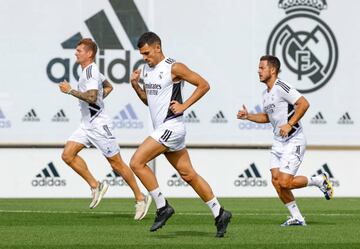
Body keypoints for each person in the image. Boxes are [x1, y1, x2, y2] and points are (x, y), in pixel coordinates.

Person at [129, 32, 232, 237]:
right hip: (163, 129)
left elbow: (204, 84)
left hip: (172, 127)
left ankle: (162, 207)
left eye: (147, 53)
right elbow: (149, 102)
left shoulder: (174, 67)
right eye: (142, 55)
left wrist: (184, 105)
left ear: (157, 47)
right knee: (188, 174)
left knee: (136, 162)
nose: (145, 57)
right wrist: (135, 86)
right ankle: (219, 212)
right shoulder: (146, 70)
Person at [58, 38, 151, 220]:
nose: (76, 53)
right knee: (67, 155)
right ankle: (96, 185)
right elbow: (109, 87)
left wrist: (70, 91)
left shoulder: (91, 72)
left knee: (116, 163)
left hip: (99, 125)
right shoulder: (88, 72)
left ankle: (141, 198)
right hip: (86, 125)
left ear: (89, 53)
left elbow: (92, 98)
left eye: (79, 50)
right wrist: (99, 99)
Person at [237, 55, 334, 226]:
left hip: (294, 140)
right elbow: (268, 117)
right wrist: (248, 116)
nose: (258, 71)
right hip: (278, 142)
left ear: (272, 70)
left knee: (285, 182)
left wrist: (289, 124)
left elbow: (304, 103)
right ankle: (297, 217)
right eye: (258, 68)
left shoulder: (282, 87)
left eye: (262, 68)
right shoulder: (265, 94)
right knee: (276, 181)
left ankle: (318, 180)